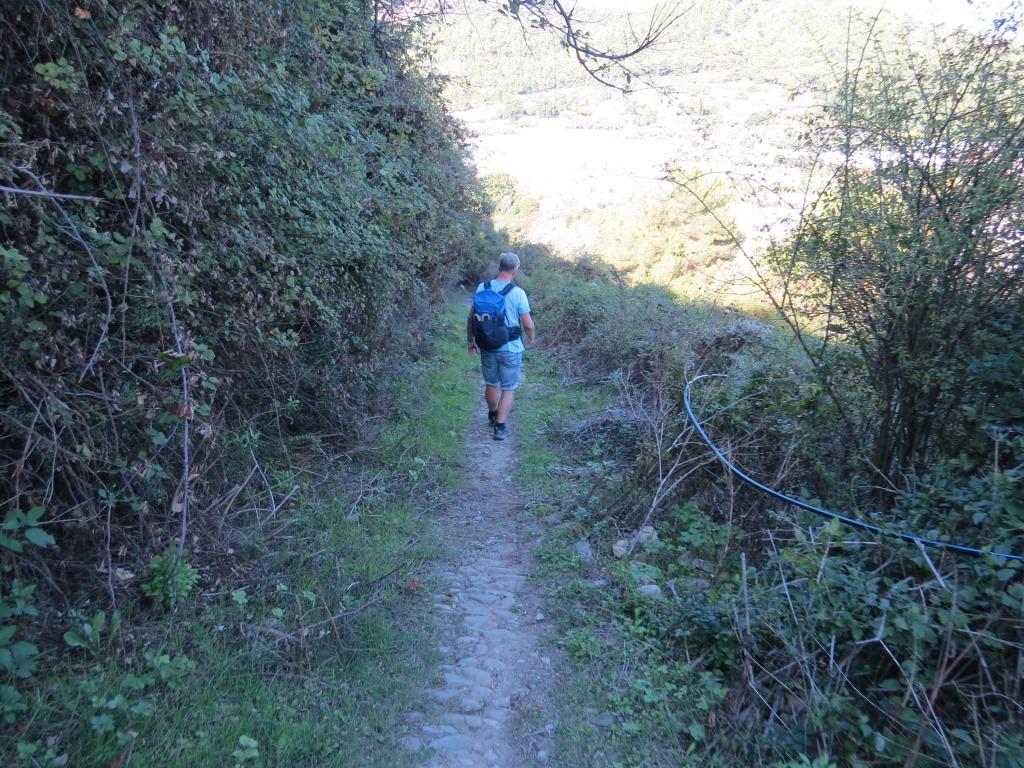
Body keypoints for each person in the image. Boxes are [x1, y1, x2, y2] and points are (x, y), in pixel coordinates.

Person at [467, 252, 535, 440]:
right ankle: (500, 426)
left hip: (487, 346)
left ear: (499, 267)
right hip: (511, 348)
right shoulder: (518, 293)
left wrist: (470, 341)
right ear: (515, 271)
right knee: (508, 388)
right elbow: (528, 324)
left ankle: (492, 414)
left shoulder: (483, 287)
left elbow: (471, 318)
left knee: (491, 383)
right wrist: (530, 339)